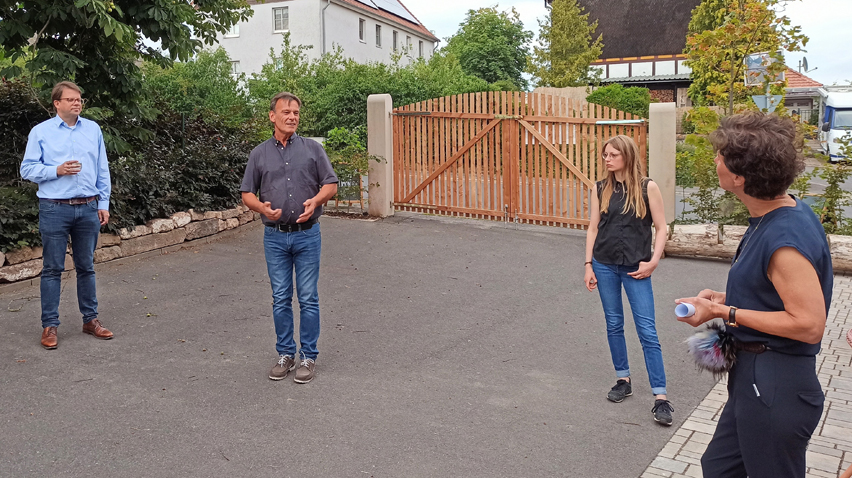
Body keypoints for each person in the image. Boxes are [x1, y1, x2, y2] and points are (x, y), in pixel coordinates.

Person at [676, 112, 832, 478]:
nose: (715, 159)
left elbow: (809, 324)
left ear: (739, 177)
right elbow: (772, 291)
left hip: (777, 384)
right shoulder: (779, 213)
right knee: (718, 468)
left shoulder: (784, 240)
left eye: (721, 155)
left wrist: (725, 312)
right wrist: (720, 299)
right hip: (755, 377)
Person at [240, 92, 338, 384]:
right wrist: (261, 208)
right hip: (275, 237)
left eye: (296, 112)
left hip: (307, 236)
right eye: (286, 112)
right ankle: (285, 354)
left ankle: (308, 356)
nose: (292, 117)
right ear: (272, 116)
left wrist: (316, 201)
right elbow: (247, 193)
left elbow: (331, 184)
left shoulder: (313, 149)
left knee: (308, 297)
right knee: (280, 297)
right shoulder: (259, 154)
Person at [583, 135, 673, 425]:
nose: (607, 159)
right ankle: (623, 379)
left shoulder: (648, 187)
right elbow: (593, 228)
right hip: (604, 264)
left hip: (637, 267)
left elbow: (661, 227)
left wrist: (654, 260)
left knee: (647, 330)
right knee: (614, 323)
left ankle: (660, 397)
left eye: (613, 155)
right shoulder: (600, 188)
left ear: (628, 156)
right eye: (605, 155)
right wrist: (588, 265)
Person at [20, 81, 114, 349]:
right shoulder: (41, 132)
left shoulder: (93, 129)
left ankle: (90, 320)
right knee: (52, 269)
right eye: (71, 99)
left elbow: (102, 169)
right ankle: (49, 325)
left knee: (86, 266)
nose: (77, 103)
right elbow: (27, 169)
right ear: (57, 103)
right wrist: (56, 170)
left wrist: (103, 203)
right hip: (54, 208)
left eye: (79, 99)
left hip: (88, 207)